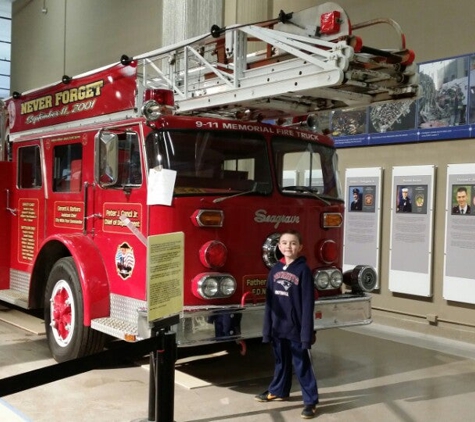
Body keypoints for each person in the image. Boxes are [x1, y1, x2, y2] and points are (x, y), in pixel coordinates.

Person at [255, 229, 319, 419]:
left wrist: (306, 334)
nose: (288, 246)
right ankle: (278, 390)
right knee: (281, 362)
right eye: (284, 243)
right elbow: (270, 303)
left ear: (300, 247)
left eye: (292, 243)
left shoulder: (303, 271)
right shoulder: (274, 270)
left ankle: (310, 401)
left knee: (302, 365)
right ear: (278, 246)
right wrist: (268, 329)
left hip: (296, 329)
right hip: (277, 328)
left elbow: (308, 304)